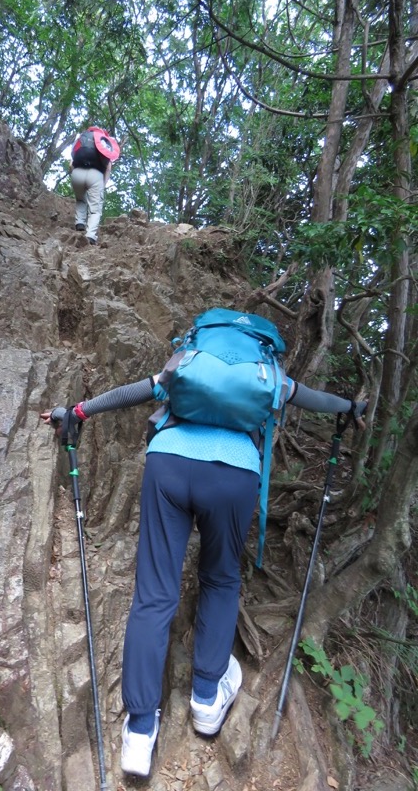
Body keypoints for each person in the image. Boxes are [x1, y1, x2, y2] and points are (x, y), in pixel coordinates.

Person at [40, 328, 367, 778]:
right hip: (234, 477)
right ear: (261, 342)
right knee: (220, 578)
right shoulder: (267, 371)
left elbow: (140, 389)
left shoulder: (189, 360)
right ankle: (207, 701)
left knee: (154, 593)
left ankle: (138, 734)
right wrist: (352, 408)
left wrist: (78, 411)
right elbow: (315, 399)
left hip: (169, 464)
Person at [69, 126, 119, 245]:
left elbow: (71, 164)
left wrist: (74, 175)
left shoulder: (81, 140)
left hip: (77, 173)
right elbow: (108, 169)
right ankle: (90, 235)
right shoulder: (103, 143)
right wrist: (103, 184)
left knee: (80, 199)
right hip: (95, 175)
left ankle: (79, 223)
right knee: (95, 209)